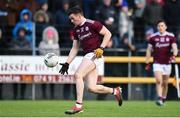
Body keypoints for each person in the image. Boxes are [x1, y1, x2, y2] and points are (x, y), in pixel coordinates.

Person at [59, 6, 123, 114]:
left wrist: (101, 48)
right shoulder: (75, 30)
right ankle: (115, 91)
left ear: (79, 16)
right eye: (70, 19)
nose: (71, 21)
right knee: (92, 88)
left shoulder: (93, 24)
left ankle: (78, 106)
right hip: (88, 56)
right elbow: (74, 48)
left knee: (78, 75)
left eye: (72, 18)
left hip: (95, 54)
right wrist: (67, 63)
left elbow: (108, 34)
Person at [145, 19, 178, 106]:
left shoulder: (171, 36)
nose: (160, 27)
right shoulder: (153, 37)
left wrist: (174, 55)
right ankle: (159, 98)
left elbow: (175, 48)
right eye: (159, 26)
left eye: (162, 26)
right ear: (157, 27)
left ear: (165, 27)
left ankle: (163, 98)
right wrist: (147, 62)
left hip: (167, 63)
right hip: (157, 62)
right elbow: (149, 50)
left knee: (165, 83)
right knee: (159, 81)